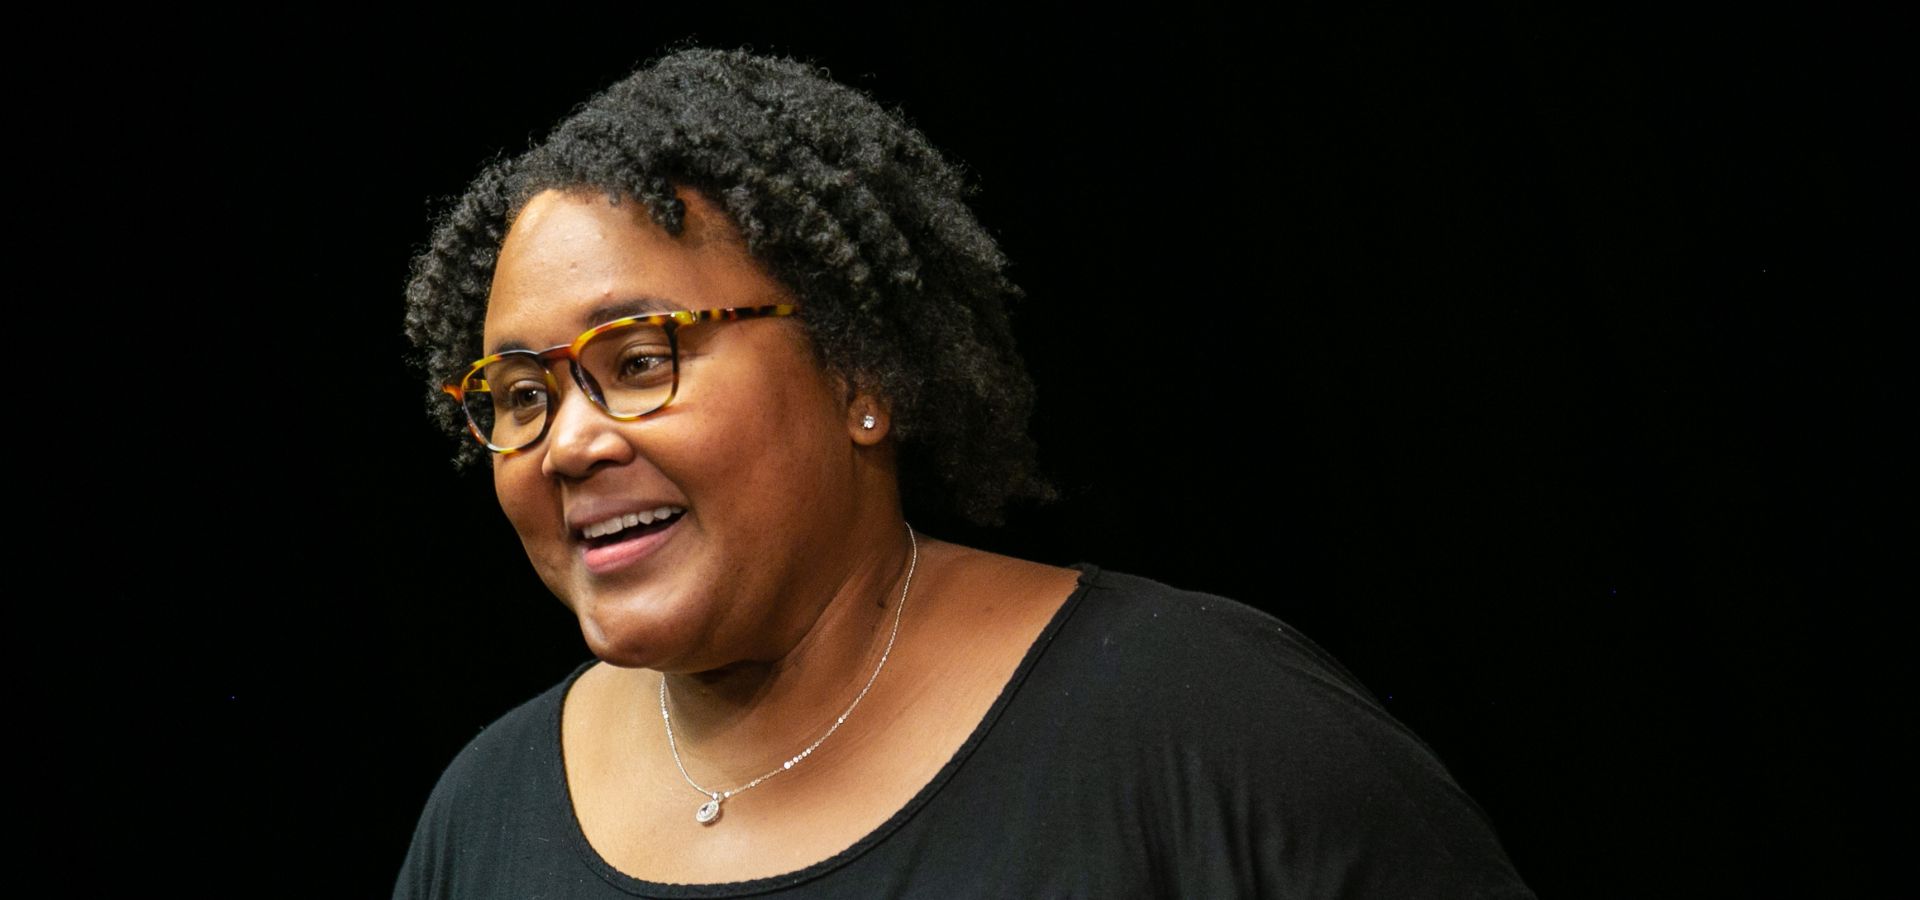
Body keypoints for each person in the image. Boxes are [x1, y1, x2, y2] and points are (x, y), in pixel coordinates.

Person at [394, 48, 1533, 898]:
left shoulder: (1206, 728)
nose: (570, 443)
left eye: (640, 361)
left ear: (857, 371)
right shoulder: (485, 823)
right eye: (521, 397)